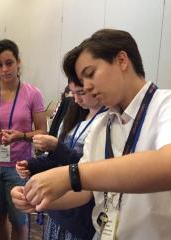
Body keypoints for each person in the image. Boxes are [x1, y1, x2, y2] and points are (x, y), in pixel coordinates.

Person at [11, 29, 171, 240]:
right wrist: (38, 197)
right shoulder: (101, 126)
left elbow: (168, 163)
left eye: (90, 73)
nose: (86, 86)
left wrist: (71, 175)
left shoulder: (166, 105)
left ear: (121, 60)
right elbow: (84, 191)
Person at [0, 39, 47, 240]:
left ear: (18, 62)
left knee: (19, 219)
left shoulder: (33, 94)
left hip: (19, 166)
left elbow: (42, 131)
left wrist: (22, 136)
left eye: (9, 63)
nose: (5, 69)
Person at [17, 79, 105, 239]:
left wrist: (57, 147)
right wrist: (31, 164)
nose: (75, 99)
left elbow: (91, 171)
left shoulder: (107, 121)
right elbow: (57, 159)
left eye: (80, 92)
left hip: (79, 212)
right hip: (59, 209)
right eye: (73, 93)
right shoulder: (76, 113)